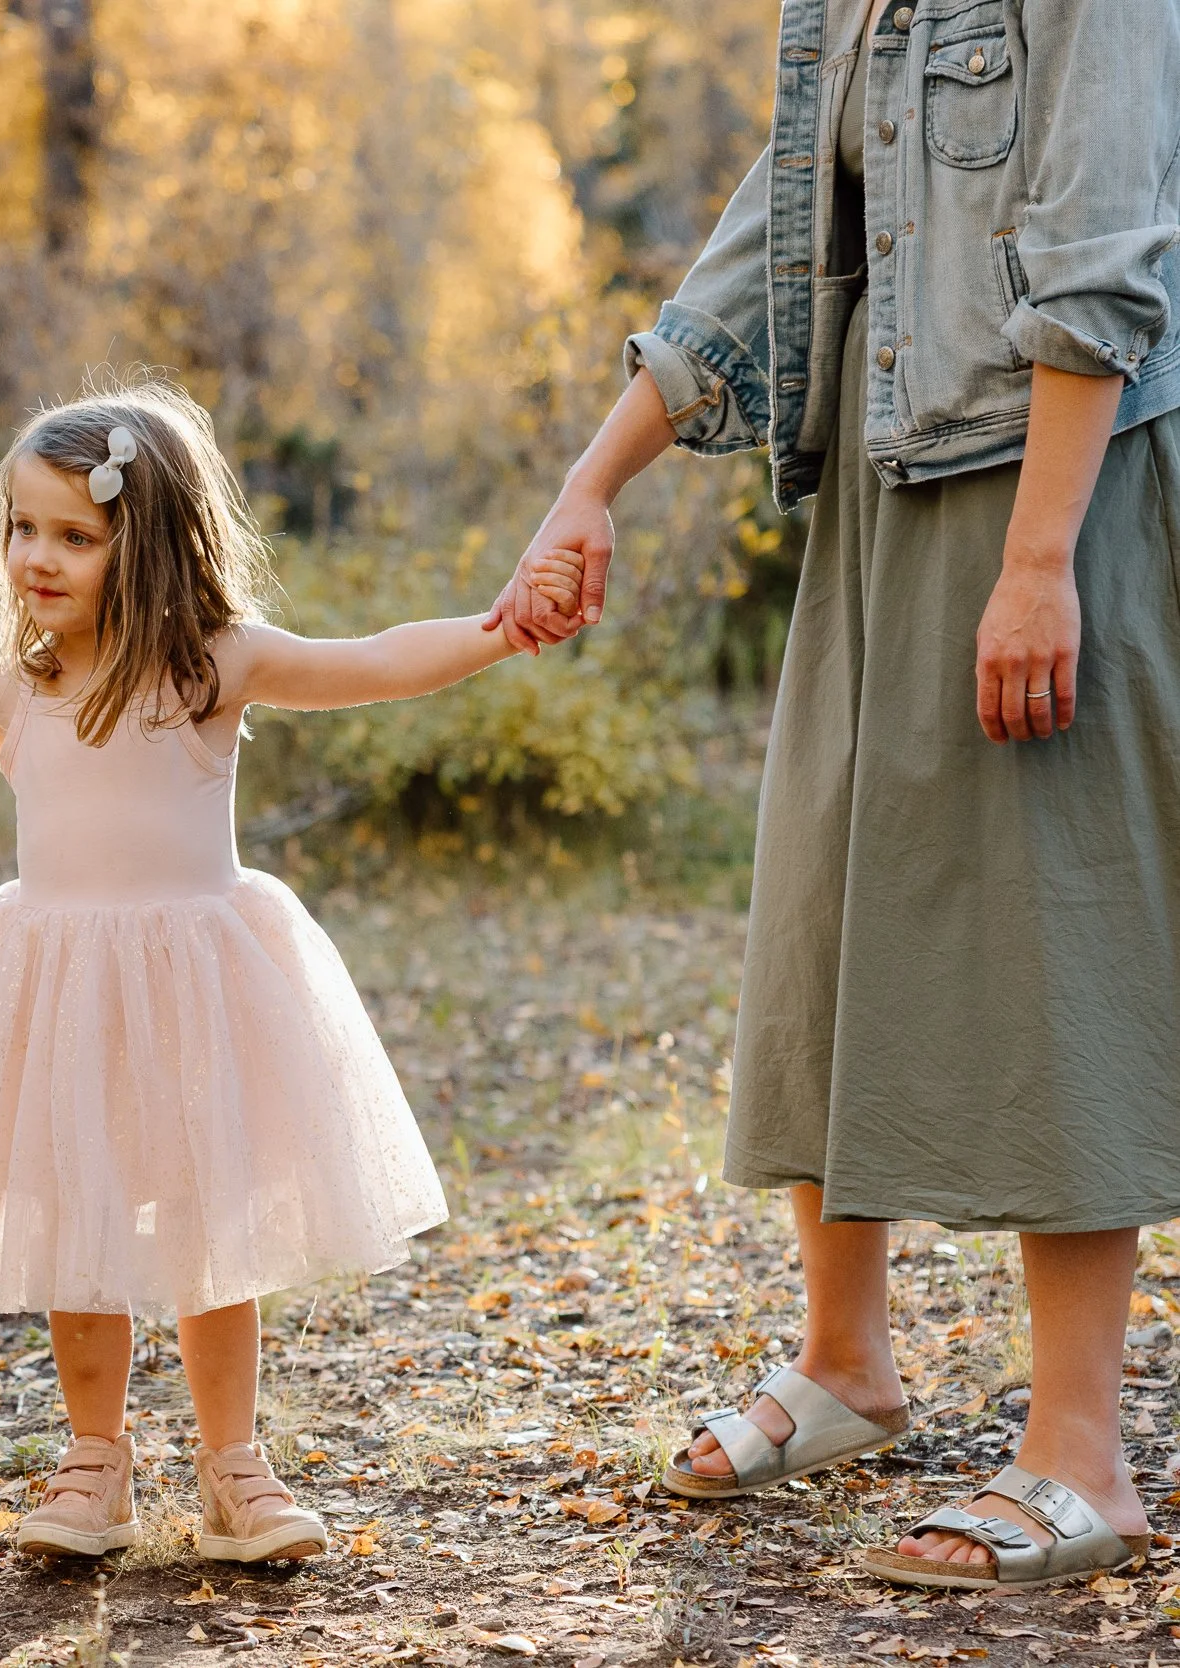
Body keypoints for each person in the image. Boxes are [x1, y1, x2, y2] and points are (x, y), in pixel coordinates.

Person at [489, 0, 1180, 1592]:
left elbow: (1101, 250)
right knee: (827, 906)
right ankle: (846, 1366)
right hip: (881, 490)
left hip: (1051, 500)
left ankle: (1082, 1453)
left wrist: (1037, 565)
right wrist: (590, 484)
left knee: (1044, 930)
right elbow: (773, 236)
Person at [0, 377, 582, 1562]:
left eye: (73, 535)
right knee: (72, 1222)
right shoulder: (25, 686)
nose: (34, 557)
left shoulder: (210, 667)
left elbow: (373, 661)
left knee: (211, 1226)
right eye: (19, 527)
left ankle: (232, 1466)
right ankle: (95, 1461)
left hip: (195, 990)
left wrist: (497, 629)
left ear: (142, 547)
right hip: (63, 993)